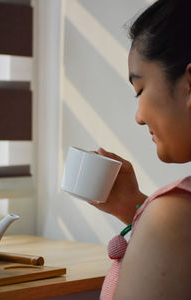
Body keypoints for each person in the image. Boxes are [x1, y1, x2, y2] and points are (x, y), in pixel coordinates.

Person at [90, 0, 191, 299]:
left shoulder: (172, 217)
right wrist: (136, 207)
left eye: (140, 90)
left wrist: (157, 217)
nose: (138, 116)